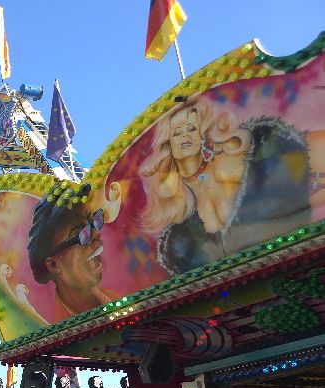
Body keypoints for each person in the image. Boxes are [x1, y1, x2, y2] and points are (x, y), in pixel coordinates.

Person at [138, 96, 312, 275]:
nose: (185, 135)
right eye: (177, 132)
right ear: (168, 145)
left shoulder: (241, 157)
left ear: (203, 135)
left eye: (191, 128)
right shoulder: (177, 234)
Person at [27, 183, 116, 323]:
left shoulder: (115, 298)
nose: (97, 233)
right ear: (54, 264)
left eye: (93, 221)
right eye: (82, 233)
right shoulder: (53, 323)